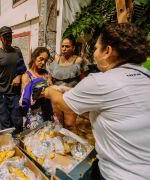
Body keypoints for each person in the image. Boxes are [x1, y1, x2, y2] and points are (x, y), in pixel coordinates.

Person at [41, 23, 150, 179]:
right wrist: (71, 91)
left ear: (107, 51)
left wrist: (50, 91)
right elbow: (114, 106)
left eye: (97, 48)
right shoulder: (145, 76)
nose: (94, 54)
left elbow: (64, 103)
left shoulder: (100, 81)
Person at [0, 26, 26, 134]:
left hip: (15, 94)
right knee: (5, 124)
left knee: (17, 122)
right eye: (5, 36)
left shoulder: (17, 51)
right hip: (2, 94)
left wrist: (18, 77)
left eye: (10, 35)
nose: (8, 38)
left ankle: (18, 146)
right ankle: (8, 147)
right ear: (0, 38)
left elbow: (22, 69)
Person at [20, 47, 53, 129]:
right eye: (41, 59)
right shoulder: (27, 76)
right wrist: (45, 92)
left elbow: (52, 90)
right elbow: (26, 97)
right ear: (34, 57)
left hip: (47, 111)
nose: (43, 62)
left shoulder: (46, 74)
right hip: (34, 114)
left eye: (45, 60)